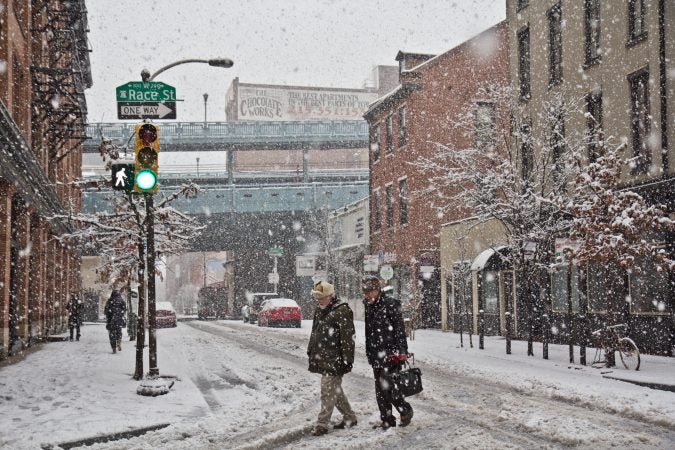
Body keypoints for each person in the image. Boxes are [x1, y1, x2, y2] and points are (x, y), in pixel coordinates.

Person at [307, 281, 358, 437]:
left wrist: (347, 360)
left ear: (330, 296)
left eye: (322, 297)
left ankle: (322, 424)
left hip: (335, 359)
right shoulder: (319, 310)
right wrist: (311, 350)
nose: (319, 300)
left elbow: (348, 338)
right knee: (334, 391)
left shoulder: (342, 311)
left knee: (327, 390)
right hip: (323, 357)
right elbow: (314, 332)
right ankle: (350, 417)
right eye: (317, 297)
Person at [362, 275, 413, 429]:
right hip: (376, 354)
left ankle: (405, 410)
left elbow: (399, 330)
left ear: (378, 290)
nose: (368, 295)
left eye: (371, 291)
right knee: (380, 391)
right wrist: (370, 352)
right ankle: (387, 420)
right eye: (365, 292)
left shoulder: (391, 304)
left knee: (389, 388)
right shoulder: (368, 305)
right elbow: (369, 332)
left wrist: (402, 351)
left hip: (391, 354)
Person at [104, 288, 127, 354]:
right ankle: (119, 342)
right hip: (119, 320)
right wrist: (121, 315)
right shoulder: (121, 301)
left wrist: (109, 316)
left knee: (112, 335)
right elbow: (124, 309)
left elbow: (106, 311)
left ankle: (114, 348)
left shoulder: (109, 300)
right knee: (119, 332)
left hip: (111, 320)